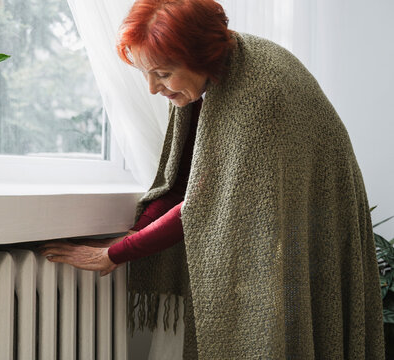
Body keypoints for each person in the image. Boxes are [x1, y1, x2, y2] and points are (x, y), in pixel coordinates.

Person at [39, 0, 385, 358]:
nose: (153, 89)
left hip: (317, 221)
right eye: (144, 73)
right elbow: (184, 179)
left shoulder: (258, 91)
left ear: (201, 56)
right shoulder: (215, 77)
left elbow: (206, 202)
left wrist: (116, 253)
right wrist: (135, 233)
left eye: (162, 72)